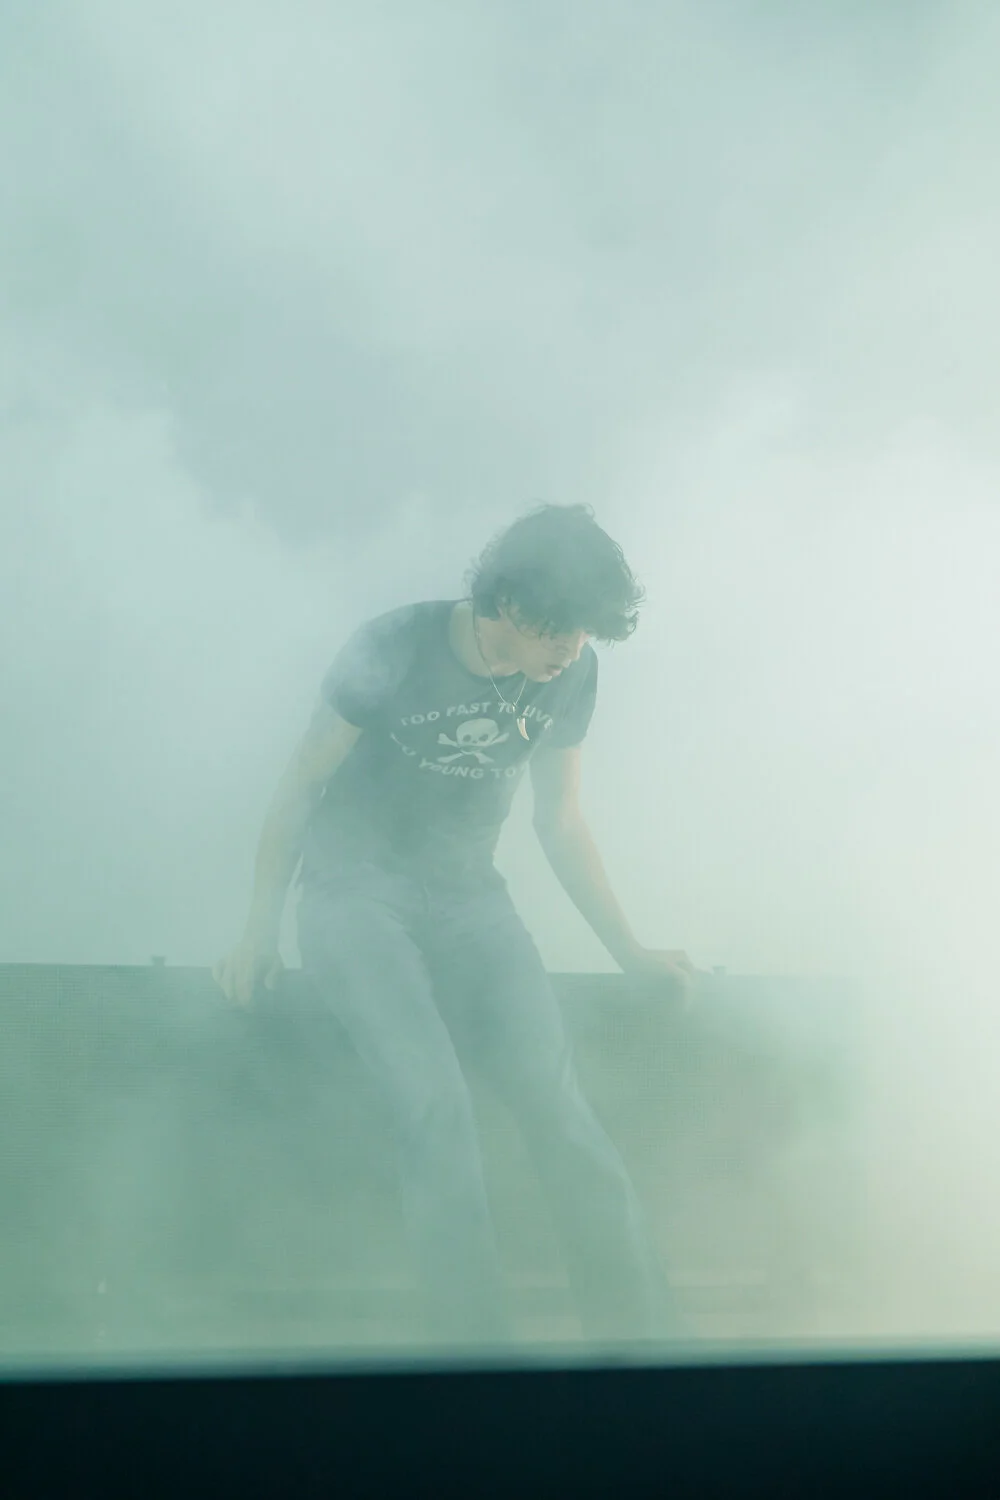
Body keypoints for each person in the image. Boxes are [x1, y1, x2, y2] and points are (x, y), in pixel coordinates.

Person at [213, 502, 699, 1350]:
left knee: (559, 1107)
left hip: (473, 899)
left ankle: (649, 1351)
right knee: (435, 1103)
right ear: (509, 607)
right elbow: (299, 785)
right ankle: (475, 1357)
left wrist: (631, 952)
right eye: (560, 630)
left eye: (586, 634)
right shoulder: (392, 646)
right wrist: (257, 929)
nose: (572, 651)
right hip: (353, 896)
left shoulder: (571, 672)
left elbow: (562, 821)